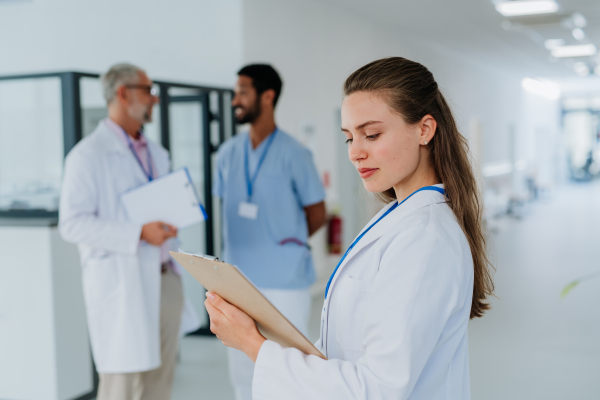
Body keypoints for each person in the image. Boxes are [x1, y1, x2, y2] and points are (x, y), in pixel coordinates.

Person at [204, 57, 494, 399]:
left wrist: (254, 345)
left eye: (371, 134)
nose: (355, 153)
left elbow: (378, 388)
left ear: (424, 130)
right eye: (349, 138)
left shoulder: (424, 238)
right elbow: (349, 351)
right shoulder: (396, 217)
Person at [59, 63, 199, 400]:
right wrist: (138, 233)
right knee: (120, 388)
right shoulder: (88, 155)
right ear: (123, 94)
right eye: (148, 91)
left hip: (166, 279)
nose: (155, 99)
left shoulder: (156, 153)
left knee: (159, 384)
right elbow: (72, 223)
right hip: (123, 284)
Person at [212, 64, 326, 400]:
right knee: (241, 372)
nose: (236, 99)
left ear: (267, 96)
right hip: (237, 278)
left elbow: (316, 213)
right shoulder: (228, 154)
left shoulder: (295, 153)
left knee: (286, 370)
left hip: (284, 280)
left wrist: (286, 241)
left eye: (243, 91)